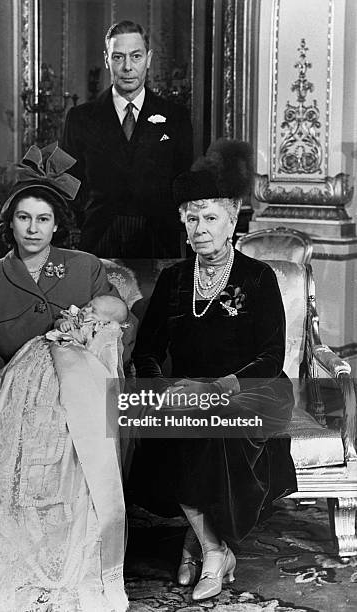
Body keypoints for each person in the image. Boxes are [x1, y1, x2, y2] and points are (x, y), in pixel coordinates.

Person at [0, 143, 130, 612]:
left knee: (74, 450)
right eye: (24, 218)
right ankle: (17, 565)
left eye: (44, 219)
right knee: (1, 448)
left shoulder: (84, 268)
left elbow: (114, 334)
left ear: (57, 225)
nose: (33, 229)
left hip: (79, 400)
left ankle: (65, 567)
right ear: (10, 223)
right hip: (8, 396)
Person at [129, 139, 297, 601]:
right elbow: (146, 349)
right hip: (187, 391)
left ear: (231, 221)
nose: (200, 229)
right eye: (192, 218)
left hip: (252, 388)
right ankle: (211, 547)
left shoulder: (258, 278)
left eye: (210, 218)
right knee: (180, 424)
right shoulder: (173, 280)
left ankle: (203, 548)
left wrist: (219, 386)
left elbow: (271, 356)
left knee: (212, 427)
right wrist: (162, 387)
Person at [62, 19, 193, 258]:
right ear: (106, 59)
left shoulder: (176, 118)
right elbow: (68, 184)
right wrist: (88, 219)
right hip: (97, 238)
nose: (127, 67)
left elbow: (182, 182)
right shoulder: (80, 118)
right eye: (118, 57)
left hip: (160, 241)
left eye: (136, 56)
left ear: (149, 59)